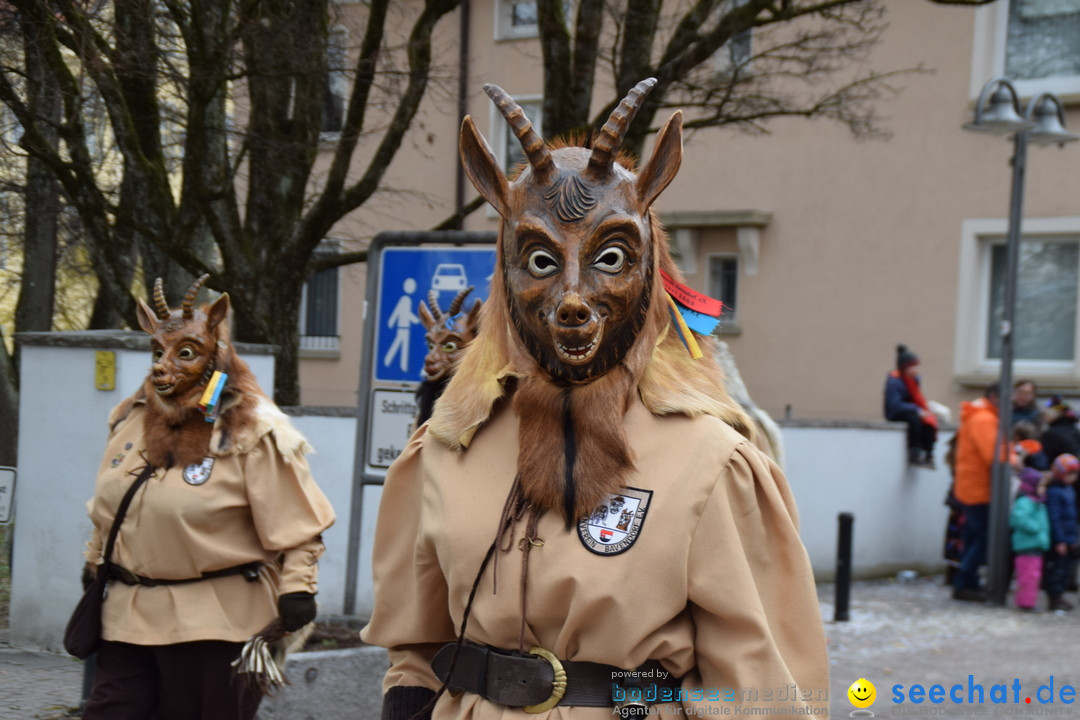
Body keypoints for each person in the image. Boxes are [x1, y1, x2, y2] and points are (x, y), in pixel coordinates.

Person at [362, 80, 829, 718]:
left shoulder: (711, 463)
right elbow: (414, 651)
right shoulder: (449, 444)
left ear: (645, 267)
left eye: (610, 256)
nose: (574, 295)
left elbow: (758, 684)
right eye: (541, 261)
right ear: (506, 266)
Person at [80, 275, 336, 720]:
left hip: (217, 624)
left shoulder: (253, 432)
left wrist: (298, 589)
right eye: (157, 352)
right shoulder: (129, 419)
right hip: (127, 617)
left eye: (183, 353)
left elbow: (298, 527)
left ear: (213, 351)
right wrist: (95, 559)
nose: (163, 365)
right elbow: (107, 508)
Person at [952, 383, 1002, 602]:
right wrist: (1015, 459)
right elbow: (994, 455)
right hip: (979, 490)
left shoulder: (980, 416)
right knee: (983, 538)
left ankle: (967, 582)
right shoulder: (984, 419)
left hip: (972, 487)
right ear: (995, 397)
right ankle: (964, 581)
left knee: (974, 537)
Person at [884, 344, 938, 468]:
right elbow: (894, 404)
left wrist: (925, 411)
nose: (916, 370)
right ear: (904, 368)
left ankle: (929, 453)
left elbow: (917, 399)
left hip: (911, 410)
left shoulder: (913, 381)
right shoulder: (895, 382)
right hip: (897, 413)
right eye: (912, 367)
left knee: (929, 421)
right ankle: (915, 451)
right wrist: (917, 410)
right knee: (915, 419)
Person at [1010, 467, 1050, 612]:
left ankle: (1029, 601)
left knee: (1033, 576)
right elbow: (1019, 518)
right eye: (1041, 485)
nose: (1044, 489)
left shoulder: (1036, 502)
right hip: (1027, 545)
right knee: (1028, 576)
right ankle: (1025, 603)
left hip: (1035, 544)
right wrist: (1036, 528)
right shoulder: (1026, 502)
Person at [1045, 454, 1079, 612]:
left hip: (1069, 536)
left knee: (1065, 570)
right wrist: (1060, 540)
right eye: (1070, 474)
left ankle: (1059, 596)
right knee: (1057, 570)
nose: (1073, 478)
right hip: (1060, 539)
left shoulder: (1068, 489)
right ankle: (1054, 598)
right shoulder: (1055, 492)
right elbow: (1055, 518)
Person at [1039, 395, 1080, 464]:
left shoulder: (1051, 434)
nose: (1044, 413)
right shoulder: (1074, 429)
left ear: (1060, 412)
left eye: (1049, 409)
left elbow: (1045, 462)